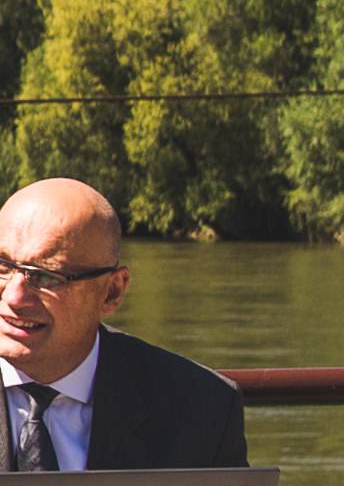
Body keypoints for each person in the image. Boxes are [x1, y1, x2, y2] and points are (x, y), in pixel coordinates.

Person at [0, 175, 248, 468]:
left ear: (112, 291)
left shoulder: (202, 408)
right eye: (3, 266)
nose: (14, 297)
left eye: (46, 276)